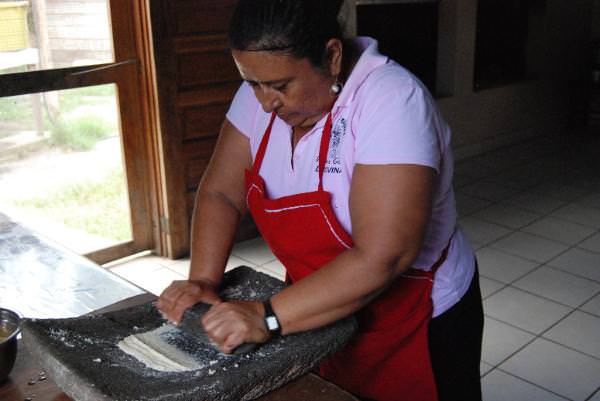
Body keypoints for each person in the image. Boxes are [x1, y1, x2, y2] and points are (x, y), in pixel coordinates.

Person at [157, 1, 484, 400]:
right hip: (316, 302)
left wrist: (270, 317)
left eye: (280, 86)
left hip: (417, 314)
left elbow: (385, 255)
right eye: (251, 83)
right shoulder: (262, 94)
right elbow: (221, 193)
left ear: (331, 57)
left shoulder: (392, 101)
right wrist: (203, 282)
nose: (264, 103)